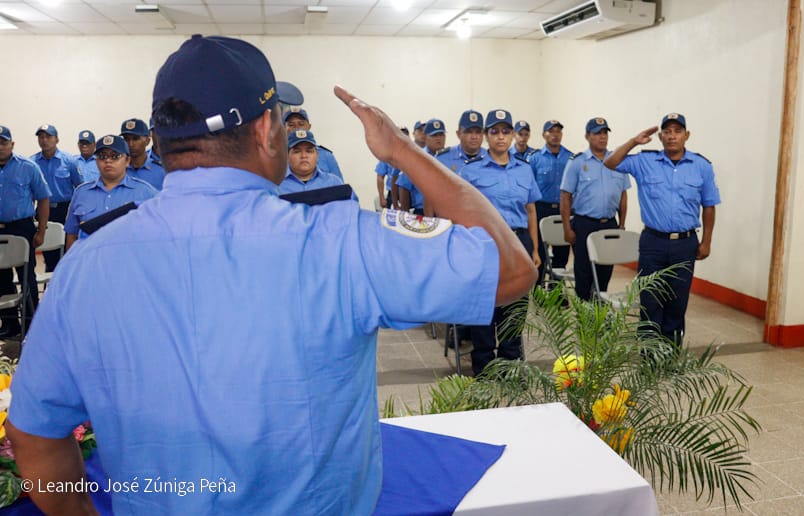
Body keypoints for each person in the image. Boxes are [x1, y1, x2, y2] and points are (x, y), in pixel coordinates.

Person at [7, 35, 536, 515]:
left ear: (162, 142)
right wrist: (402, 150)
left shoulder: (88, 265)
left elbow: (34, 437)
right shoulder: (339, 241)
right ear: (266, 131)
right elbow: (511, 271)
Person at [603, 113, 720, 346]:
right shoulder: (645, 162)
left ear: (687, 135)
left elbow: (709, 206)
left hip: (685, 244)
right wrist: (634, 141)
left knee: (677, 303)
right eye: (667, 131)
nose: (672, 136)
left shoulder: (701, 167)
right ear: (660, 136)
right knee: (651, 300)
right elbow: (610, 162)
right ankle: (649, 357)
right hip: (653, 243)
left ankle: (670, 356)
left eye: (677, 131)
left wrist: (706, 241)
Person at [459, 109, 542, 376]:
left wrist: (536, 249)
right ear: (486, 136)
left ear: (513, 135)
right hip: (485, 243)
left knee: (515, 305)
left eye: (506, 131)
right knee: (485, 303)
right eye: (494, 132)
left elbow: (530, 210)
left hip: (518, 242)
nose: (501, 137)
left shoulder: (524, 170)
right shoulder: (471, 172)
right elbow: (462, 211)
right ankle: (484, 365)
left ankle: (510, 364)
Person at [560, 117, 631, 300]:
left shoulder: (617, 160)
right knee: (583, 273)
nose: (602, 137)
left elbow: (623, 194)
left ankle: (599, 316)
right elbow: (565, 196)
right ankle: (584, 319)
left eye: (605, 133)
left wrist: (621, 225)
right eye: (597, 133)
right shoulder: (577, 162)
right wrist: (567, 228)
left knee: (605, 272)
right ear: (587, 136)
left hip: (609, 224)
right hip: (584, 225)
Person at [64, 134, 158, 251]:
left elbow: (158, 236)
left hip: (130, 264)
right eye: (102, 156)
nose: (108, 161)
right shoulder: (81, 193)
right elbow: (72, 235)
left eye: (115, 156)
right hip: (91, 264)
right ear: (96, 161)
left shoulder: (146, 193)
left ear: (127, 160)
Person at [0, 125, 50, 338]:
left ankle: (31, 326)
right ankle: (9, 324)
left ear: (12, 144)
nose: (0, 146)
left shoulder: (28, 167)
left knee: (26, 276)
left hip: (22, 227)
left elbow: (44, 198)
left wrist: (41, 231)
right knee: (1, 279)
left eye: (3, 142)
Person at [31, 124, 83, 273]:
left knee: (68, 254)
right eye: (41, 137)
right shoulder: (32, 163)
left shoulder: (69, 162)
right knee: (49, 254)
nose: (44, 140)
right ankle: (52, 285)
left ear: (57, 139)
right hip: (42, 212)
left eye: (48, 136)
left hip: (65, 211)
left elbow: (80, 188)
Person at [529, 120, 573, 285]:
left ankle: (556, 291)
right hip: (541, 209)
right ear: (543, 135)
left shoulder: (570, 157)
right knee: (539, 251)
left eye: (558, 131)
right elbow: (530, 187)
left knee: (562, 252)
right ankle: (537, 288)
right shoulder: (535, 159)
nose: (555, 135)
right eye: (551, 131)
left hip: (564, 209)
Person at [279, 129, 356, 201]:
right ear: (287, 156)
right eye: (297, 151)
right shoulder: (276, 186)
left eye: (309, 151)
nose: (304, 156)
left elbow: (351, 210)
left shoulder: (334, 183)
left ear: (317, 155)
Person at [282, 106, 343, 180]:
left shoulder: (326, 155)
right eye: (291, 125)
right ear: (283, 128)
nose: (297, 128)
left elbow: (340, 188)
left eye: (301, 124)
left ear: (309, 127)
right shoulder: (274, 158)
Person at [435, 109, 486, 174]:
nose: (474, 137)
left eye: (478, 132)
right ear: (458, 134)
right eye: (468, 132)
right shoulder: (442, 159)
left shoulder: (490, 160)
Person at [121, 118, 165, 190]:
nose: (130, 144)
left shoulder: (161, 171)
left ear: (147, 141)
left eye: (135, 139)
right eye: (126, 139)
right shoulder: (118, 170)